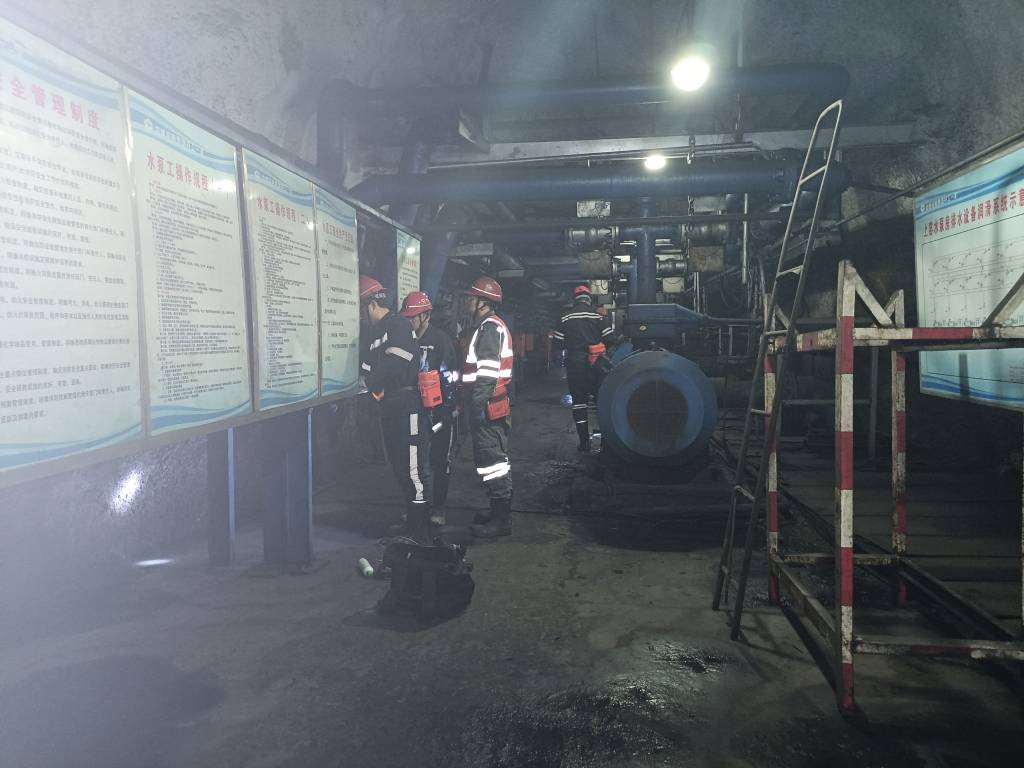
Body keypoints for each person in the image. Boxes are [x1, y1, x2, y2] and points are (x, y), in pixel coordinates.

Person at [359, 276, 432, 543]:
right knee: (400, 467)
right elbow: (368, 367)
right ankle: (412, 522)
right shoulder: (375, 334)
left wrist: (369, 382)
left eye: (359, 309)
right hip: (391, 407)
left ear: (369, 304)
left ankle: (421, 529)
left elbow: (396, 361)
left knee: (413, 469)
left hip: (407, 406)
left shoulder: (397, 324)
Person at [400, 290, 459, 527]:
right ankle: (418, 508)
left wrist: (448, 406)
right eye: (406, 317)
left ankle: (438, 509)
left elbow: (452, 375)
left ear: (426, 316)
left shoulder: (441, 341)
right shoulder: (406, 341)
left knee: (440, 461)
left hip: (441, 411)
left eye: (412, 317)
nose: (409, 322)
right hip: (415, 412)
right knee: (415, 463)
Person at [461, 276, 514, 538]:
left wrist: (476, 406)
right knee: (489, 460)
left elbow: (487, 374)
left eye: (471, 298)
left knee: (494, 461)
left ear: (483, 302)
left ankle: (501, 520)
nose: (467, 302)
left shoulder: (490, 329)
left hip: (488, 406)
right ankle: (496, 511)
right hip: (490, 403)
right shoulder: (487, 327)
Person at [551, 285, 615, 452]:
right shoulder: (598, 315)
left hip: (575, 362)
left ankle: (584, 442)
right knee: (602, 400)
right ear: (589, 298)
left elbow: (557, 344)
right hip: (596, 362)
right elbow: (611, 339)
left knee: (579, 402)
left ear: (575, 299)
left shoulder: (564, 317)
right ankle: (606, 443)